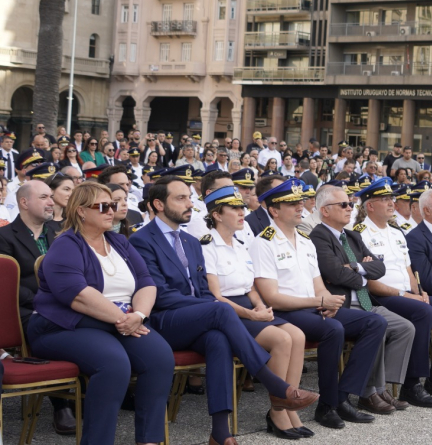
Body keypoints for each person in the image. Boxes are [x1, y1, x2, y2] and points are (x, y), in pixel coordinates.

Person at [130, 176, 319, 445]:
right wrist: (212, 306)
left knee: (218, 341)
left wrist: (213, 305)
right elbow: (162, 295)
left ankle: (220, 432)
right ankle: (275, 385)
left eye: (189, 197)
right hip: (164, 320)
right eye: (181, 198)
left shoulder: (190, 241)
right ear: (158, 204)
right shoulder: (141, 240)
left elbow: (204, 290)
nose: (190, 204)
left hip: (198, 318)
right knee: (221, 311)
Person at [27, 182, 174, 445]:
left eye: (114, 205)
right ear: (81, 211)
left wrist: (139, 315)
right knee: (113, 363)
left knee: (160, 357)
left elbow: (146, 282)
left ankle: (150, 441)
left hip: (117, 322)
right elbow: (78, 295)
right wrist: (124, 319)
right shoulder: (66, 244)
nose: (112, 211)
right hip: (63, 327)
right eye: (104, 206)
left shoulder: (118, 241)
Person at [250, 181, 386, 429]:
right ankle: (327, 405)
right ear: (274, 210)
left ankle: (342, 397)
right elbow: (271, 297)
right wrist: (320, 300)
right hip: (285, 312)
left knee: (374, 322)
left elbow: (318, 285)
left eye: (300, 203)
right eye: (291, 204)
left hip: (312, 308)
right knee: (332, 330)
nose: (299, 207)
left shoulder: (304, 239)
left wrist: (329, 302)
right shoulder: (264, 242)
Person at [199, 186, 311, 438]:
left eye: (242, 207)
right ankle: (278, 409)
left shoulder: (240, 244)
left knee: (298, 335)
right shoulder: (207, 247)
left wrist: (259, 305)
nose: (242, 212)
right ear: (217, 214)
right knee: (281, 339)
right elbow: (216, 296)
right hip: (228, 313)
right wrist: (251, 314)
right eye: (235, 208)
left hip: (249, 307)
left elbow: (249, 286)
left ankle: (290, 404)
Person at [355, 180, 432, 405]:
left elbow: (408, 270)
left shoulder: (397, 232)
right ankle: (411, 383)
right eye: (385, 199)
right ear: (369, 206)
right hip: (381, 296)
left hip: (406, 294)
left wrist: (420, 290)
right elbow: (369, 283)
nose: (392, 203)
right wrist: (408, 296)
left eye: (392, 198)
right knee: (422, 312)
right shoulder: (360, 234)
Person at [310, 183, 422, 417]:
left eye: (350, 203)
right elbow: (333, 273)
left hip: (365, 303)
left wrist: (355, 266)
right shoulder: (318, 236)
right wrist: (363, 272)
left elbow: (378, 268)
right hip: (340, 304)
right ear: (325, 211)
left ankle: (381, 388)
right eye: (343, 204)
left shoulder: (351, 235)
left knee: (405, 327)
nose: (350, 208)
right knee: (376, 326)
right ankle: (367, 392)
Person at [0, 179, 78, 434]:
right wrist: (47, 297)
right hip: (26, 309)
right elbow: (6, 284)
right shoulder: (4, 237)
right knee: (58, 328)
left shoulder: (63, 234)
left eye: (50, 197)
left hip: (68, 303)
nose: (51, 202)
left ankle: (93, 391)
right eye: (44, 197)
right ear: (24, 202)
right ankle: (61, 404)